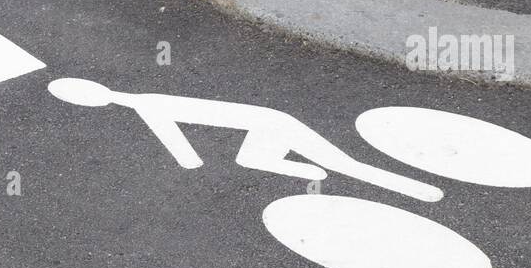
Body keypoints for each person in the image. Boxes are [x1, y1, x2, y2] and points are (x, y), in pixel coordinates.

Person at [48, 79, 442, 203]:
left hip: (271, 123)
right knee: (252, 160)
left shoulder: (147, 106)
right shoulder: (145, 103)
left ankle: (420, 191)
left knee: (348, 167)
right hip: (262, 126)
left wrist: (189, 163)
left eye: (83, 96)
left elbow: (182, 152)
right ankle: (310, 168)